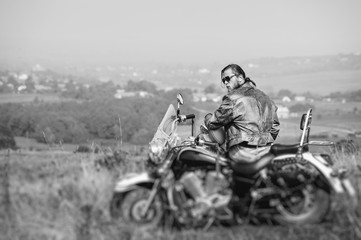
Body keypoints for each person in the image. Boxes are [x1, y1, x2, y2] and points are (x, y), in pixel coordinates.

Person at [206, 63, 280, 163]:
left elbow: (213, 123)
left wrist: (208, 117)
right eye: (223, 81)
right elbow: (275, 127)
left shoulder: (233, 98)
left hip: (243, 151)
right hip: (266, 151)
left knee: (215, 164)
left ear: (240, 77)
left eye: (228, 79)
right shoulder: (266, 98)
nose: (226, 83)